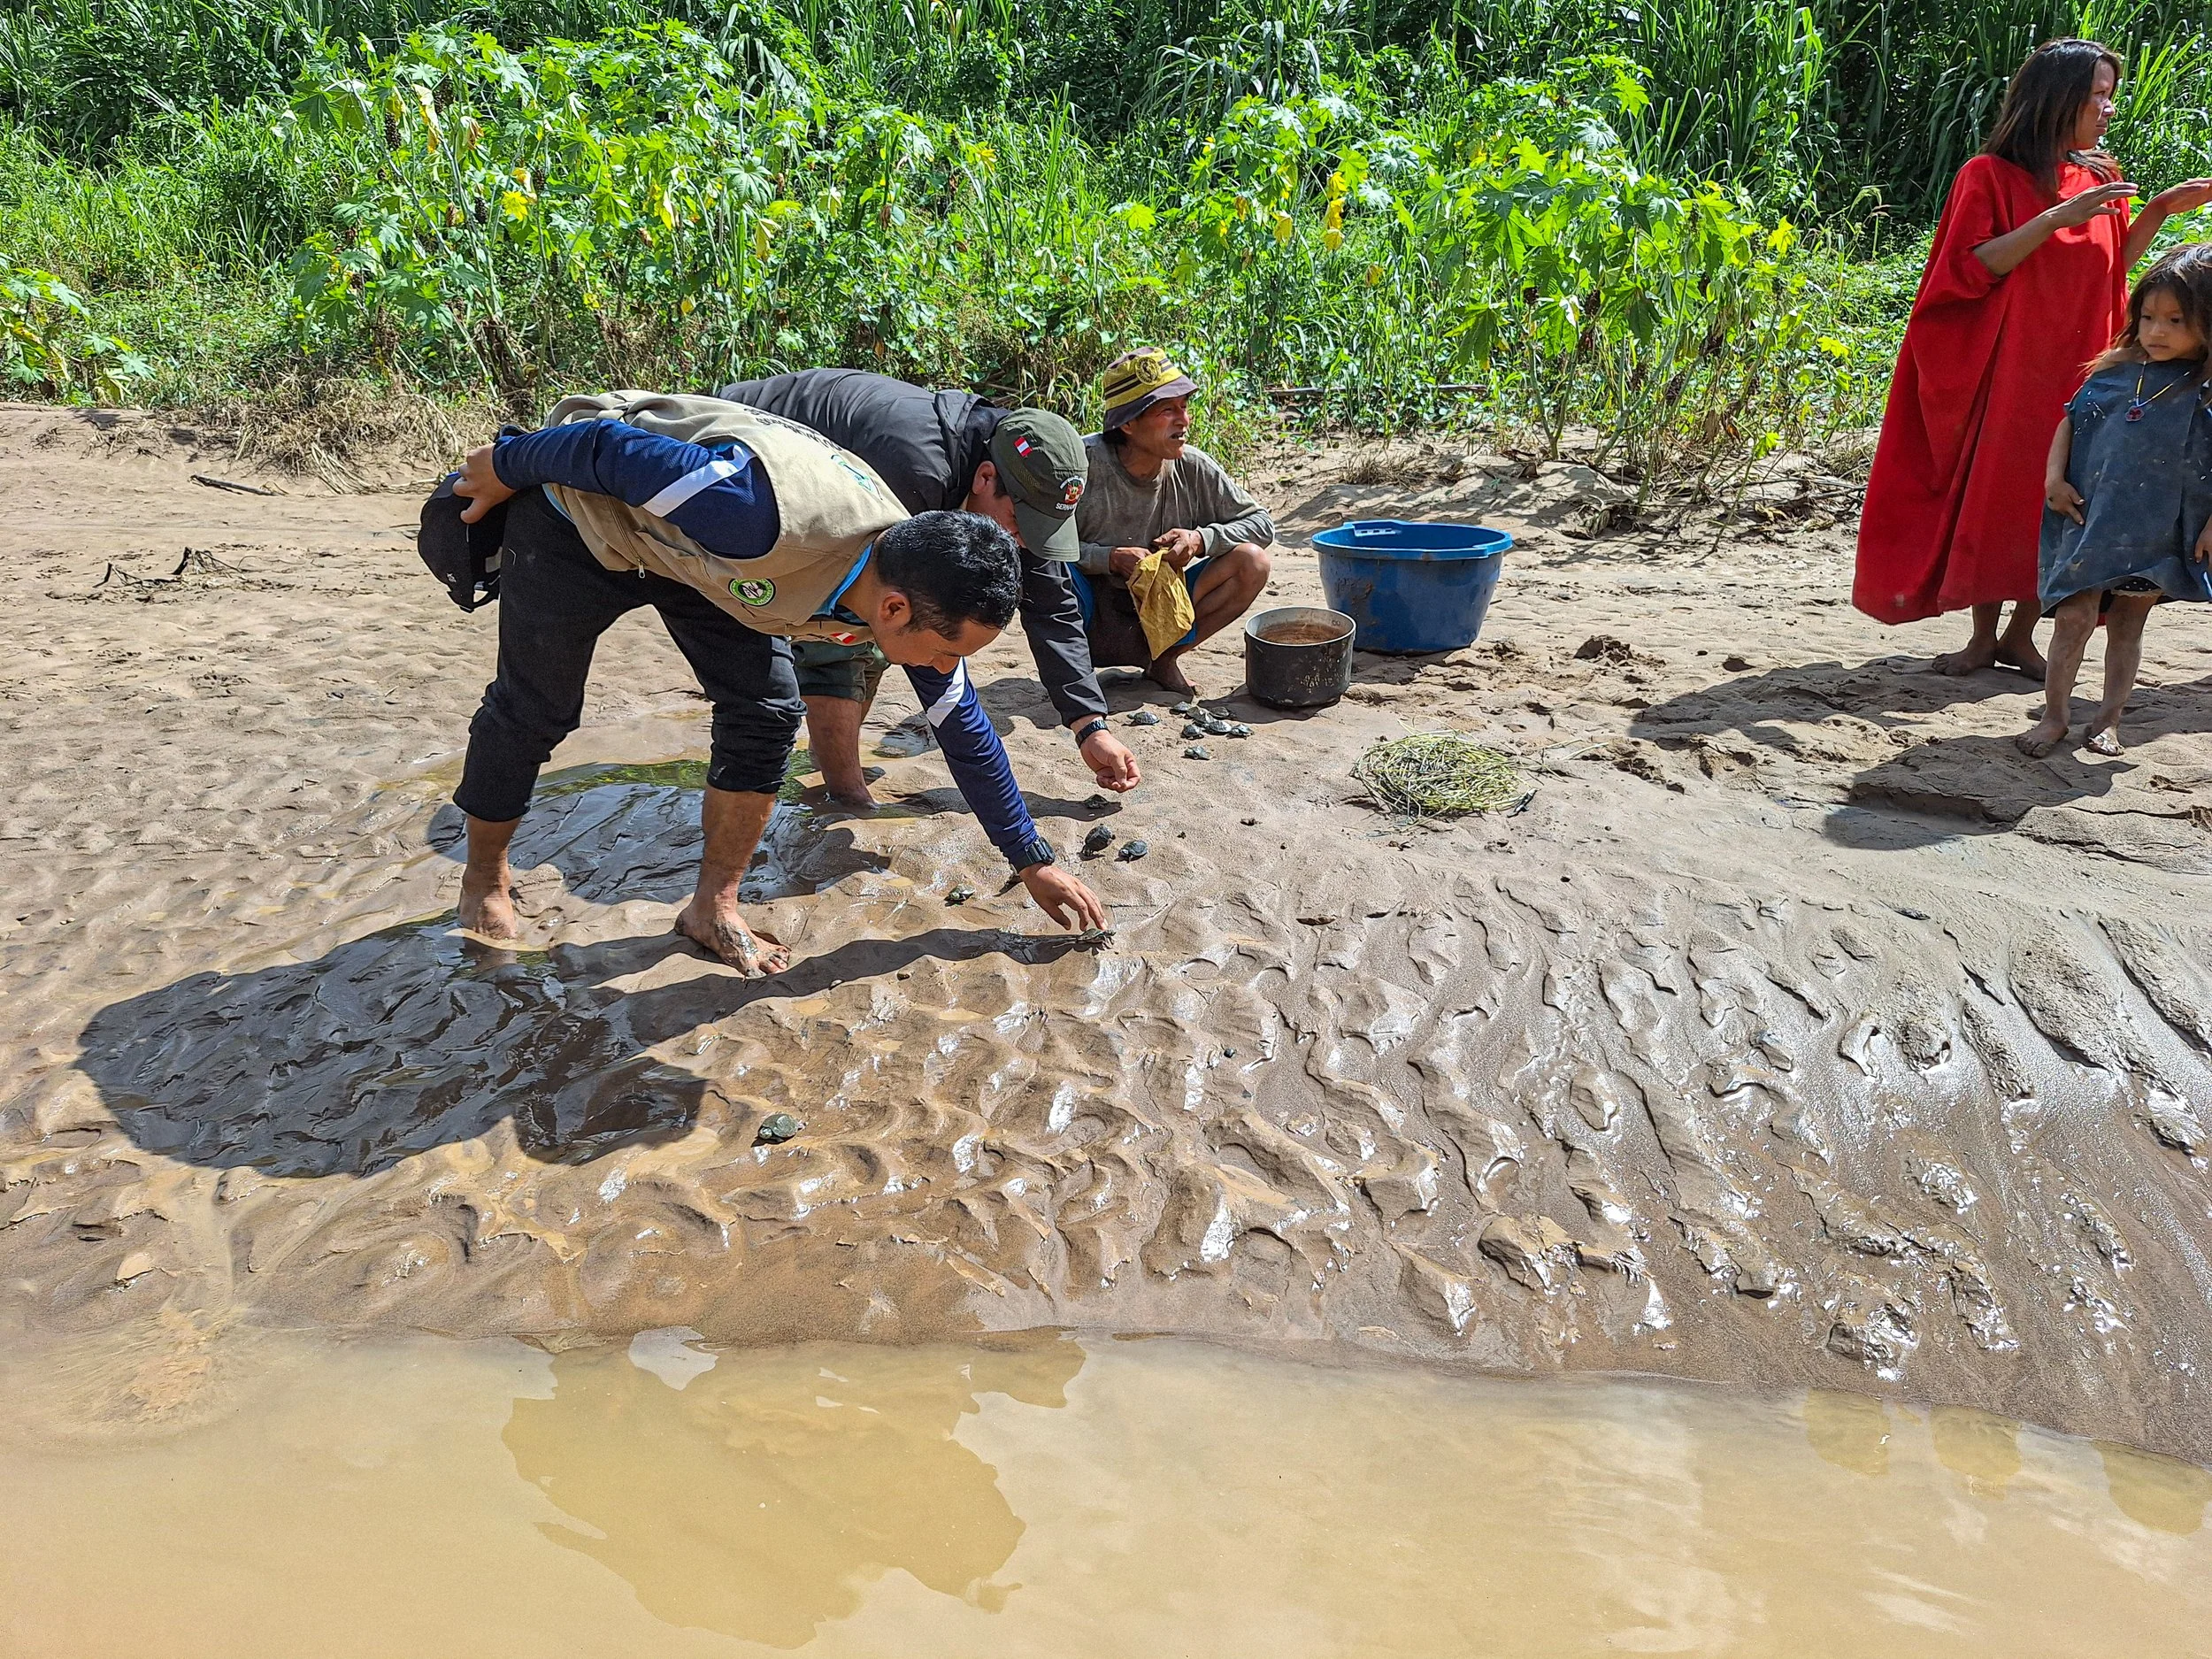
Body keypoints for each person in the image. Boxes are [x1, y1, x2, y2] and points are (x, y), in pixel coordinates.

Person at [440, 391, 1105, 977]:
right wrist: (504, 467)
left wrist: (1031, 860)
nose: (939, 668)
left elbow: (964, 725)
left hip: (699, 562)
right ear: (895, 610)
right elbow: (603, 446)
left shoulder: (917, 585)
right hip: (578, 519)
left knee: (765, 708)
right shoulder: (753, 514)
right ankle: (484, 878)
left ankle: (712, 907)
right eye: (939, 654)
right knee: (538, 706)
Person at [1854, 37, 2212, 677]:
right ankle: (1981, 636)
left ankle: (2022, 634)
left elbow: (2109, 274)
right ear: (2057, 97)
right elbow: (1972, 268)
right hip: (2014, 369)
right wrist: (2052, 218)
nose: (2107, 108)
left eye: (2110, 94)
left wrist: (2156, 210)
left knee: (2062, 498)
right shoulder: (1986, 176)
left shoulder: (2101, 176)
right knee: (2001, 494)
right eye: (2096, 94)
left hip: (2085, 374)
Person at [715, 369, 1140, 809]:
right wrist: (855, 799)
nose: (1025, 542)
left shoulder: (1027, 489)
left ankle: (832, 766)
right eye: (1021, 524)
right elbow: (856, 621)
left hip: (837, 459)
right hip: (735, 444)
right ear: (985, 478)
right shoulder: (914, 472)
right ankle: (841, 790)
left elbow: (1052, 607)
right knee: (862, 628)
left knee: (891, 633)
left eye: (1042, 529)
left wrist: (1091, 726)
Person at [2018, 245, 2212, 758]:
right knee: (2073, 620)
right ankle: (2055, 716)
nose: (2157, 332)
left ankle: (2108, 720)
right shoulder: (2115, 369)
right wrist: (2052, 479)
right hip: (2086, 515)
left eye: (2175, 320)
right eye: (2148, 317)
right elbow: (2070, 421)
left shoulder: (2205, 386)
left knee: (2127, 626)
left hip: (2156, 530)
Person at [1071, 349, 1274, 697]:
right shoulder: (1080, 464)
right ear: (1128, 423)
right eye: (1168, 410)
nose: (1184, 420)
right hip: (1090, 612)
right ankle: (1072, 675)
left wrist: (1200, 539)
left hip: (1166, 610)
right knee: (1047, 573)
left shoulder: (1193, 466)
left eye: (1184, 407)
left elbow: (1261, 525)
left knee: (1252, 562)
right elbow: (1036, 542)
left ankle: (1164, 660)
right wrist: (1108, 558)